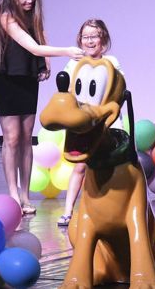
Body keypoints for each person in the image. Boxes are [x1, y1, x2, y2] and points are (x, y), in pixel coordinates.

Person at [0, 0, 84, 214]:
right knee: (12, 137)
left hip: (26, 77)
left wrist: (46, 63)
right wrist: (67, 51)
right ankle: (12, 193)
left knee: (27, 137)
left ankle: (25, 196)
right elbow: (34, 47)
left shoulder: (33, 16)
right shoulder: (6, 17)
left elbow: (40, 37)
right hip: (6, 78)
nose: (30, 1)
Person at [57, 19, 124, 226]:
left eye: (93, 36)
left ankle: (108, 211)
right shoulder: (74, 63)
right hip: (83, 124)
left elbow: (118, 88)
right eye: (85, 37)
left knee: (108, 167)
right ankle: (68, 211)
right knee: (80, 167)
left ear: (103, 39)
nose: (89, 41)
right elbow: (66, 91)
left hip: (105, 122)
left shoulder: (111, 62)